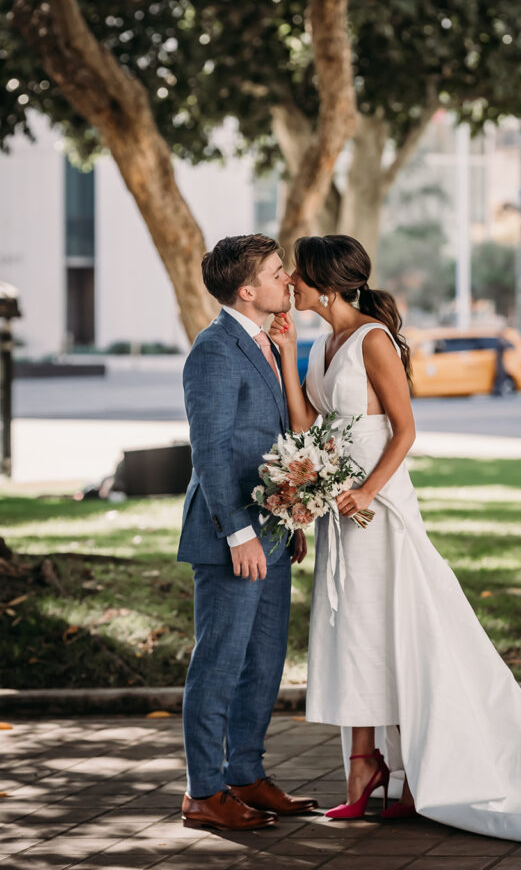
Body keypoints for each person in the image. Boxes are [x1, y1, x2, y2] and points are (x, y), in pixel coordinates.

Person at [270, 233, 521, 844]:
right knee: (353, 631)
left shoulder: (373, 341)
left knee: (402, 629)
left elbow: (405, 431)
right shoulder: (321, 343)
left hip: (380, 509)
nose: (292, 283)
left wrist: (368, 492)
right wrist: (285, 354)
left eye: (298, 274)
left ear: (326, 283)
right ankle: (363, 772)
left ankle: (418, 772)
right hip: (338, 511)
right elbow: (308, 425)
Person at [178, 234, 318, 835]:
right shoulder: (213, 351)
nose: (287, 279)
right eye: (276, 271)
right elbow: (209, 452)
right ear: (247, 289)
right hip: (228, 536)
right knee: (220, 662)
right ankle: (204, 793)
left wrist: (291, 517)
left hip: (275, 531)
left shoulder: (265, 341)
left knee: (263, 663)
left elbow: (278, 436)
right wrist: (239, 533)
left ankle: (246, 774)